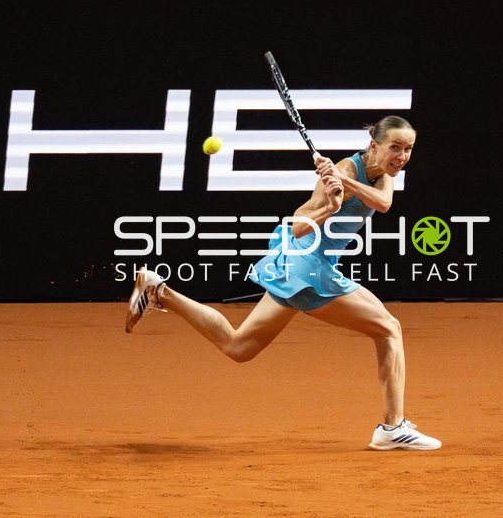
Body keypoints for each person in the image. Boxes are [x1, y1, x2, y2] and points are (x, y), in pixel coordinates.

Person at [124, 115, 441, 451]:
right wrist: (331, 205)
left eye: (408, 149)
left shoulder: (379, 175)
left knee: (239, 346)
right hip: (305, 264)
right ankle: (392, 427)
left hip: (301, 266)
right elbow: (298, 226)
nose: (402, 156)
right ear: (374, 146)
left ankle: (159, 291)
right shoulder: (347, 170)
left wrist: (345, 186)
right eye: (395, 147)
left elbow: (384, 203)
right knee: (388, 328)